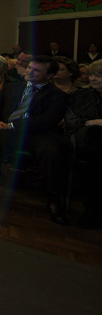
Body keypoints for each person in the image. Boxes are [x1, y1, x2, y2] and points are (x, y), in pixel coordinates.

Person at [0, 56, 71, 225]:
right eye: (29, 68)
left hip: (39, 133)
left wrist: (11, 125)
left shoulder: (57, 95)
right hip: (8, 131)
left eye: (36, 70)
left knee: (51, 153)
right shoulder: (12, 88)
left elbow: (47, 121)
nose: (29, 72)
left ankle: (54, 199)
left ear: (49, 75)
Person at [64, 60, 102, 228]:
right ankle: (92, 211)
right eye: (92, 74)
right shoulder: (79, 95)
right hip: (83, 139)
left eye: (99, 75)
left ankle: (92, 211)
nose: (93, 79)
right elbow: (72, 121)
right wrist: (94, 122)